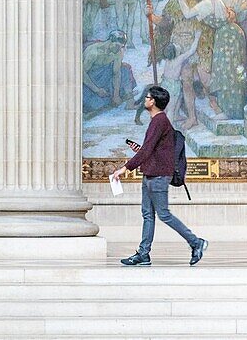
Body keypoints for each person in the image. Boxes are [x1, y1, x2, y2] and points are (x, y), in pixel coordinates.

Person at [113, 85, 208, 267]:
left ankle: (196, 242)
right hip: (150, 173)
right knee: (148, 214)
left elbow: (149, 150)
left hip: (158, 177)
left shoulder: (159, 121)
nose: (145, 99)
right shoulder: (157, 121)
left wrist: (125, 168)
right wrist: (140, 152)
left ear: (154, 101)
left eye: (147, 97)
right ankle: (143, 253)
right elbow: (154, 151)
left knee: (163, 214)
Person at [172, 0, 247, 120]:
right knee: (232, 70)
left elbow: (188, 14)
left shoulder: (206, 3)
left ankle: (226, 111)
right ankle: (229, 109)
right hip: (233, 33)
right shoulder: (217, 0)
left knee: (225, 72)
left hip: (225, 37)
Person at [82, 31, 137, 116]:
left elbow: (117, 73)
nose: (119, 49)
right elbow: (82, 74)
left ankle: (130, 102)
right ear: (110, 41)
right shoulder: (94, 52)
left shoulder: (117, 53)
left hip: (103, 79)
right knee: (93, 104)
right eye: (117, 46)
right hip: (89, 81)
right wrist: (97, 90)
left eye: (121, 47)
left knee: (124, 70)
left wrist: (116, 95)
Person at [159, 30, 203, 130]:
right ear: (176, 52)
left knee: (175, 101)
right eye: (177, 47)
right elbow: (192, 51)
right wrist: (196, 37)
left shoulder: (168, 60)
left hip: (165, 84)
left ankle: (176, 115)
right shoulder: (179, 59)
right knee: (170, 109)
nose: (179, 47)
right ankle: (168, 130)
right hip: (173, 85)